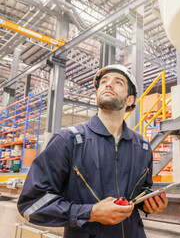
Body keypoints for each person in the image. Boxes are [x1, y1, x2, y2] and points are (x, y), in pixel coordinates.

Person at [17, 64, 168, 238]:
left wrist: (149, 201)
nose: (108, 84)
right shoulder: (68, 141)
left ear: (130, 100)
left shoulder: (142, 145)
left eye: (118, 82)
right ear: (97, 94)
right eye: (104, 82)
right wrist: (90, 212)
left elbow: (142, 190)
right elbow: (31, 204)